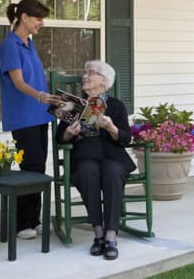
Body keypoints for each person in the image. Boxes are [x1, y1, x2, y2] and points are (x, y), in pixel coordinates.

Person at [55, 60, 136, 260]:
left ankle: (110, 235)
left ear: (103, 80)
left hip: (112, 156)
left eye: (91, 73)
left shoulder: (116, 106)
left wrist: (111, 127)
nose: (85, 76)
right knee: (87, 171)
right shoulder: (73, 104)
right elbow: (60, 139)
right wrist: (69, 132)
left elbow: (126, 138)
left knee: (112, 171)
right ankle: (98, 232)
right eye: (85, 72)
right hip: (84, 157)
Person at [0, 0, 59, 240]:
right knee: (29, 169)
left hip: (40, 115)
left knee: (38, 169)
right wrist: (41, 95)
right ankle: (21, 223)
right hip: (22, 117)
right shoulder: (9, 45)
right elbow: (18, 82)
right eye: (38, 18)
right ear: (24, 17)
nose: (41, 23)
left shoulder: (28, 43)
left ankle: (33, 220)